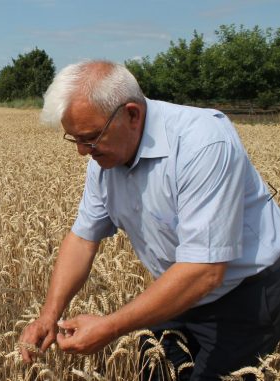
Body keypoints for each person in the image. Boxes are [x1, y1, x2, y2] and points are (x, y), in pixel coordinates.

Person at [19, 60, 280, 380]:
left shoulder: (203, 142)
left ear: (132, 114)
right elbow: (83, 238)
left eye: (90, 137)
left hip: (243, 297)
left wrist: (111, 327)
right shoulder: (104, 159)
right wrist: (49, 315)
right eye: (75, 140)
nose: (83, 152)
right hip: (174, 288)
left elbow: (206, 271)